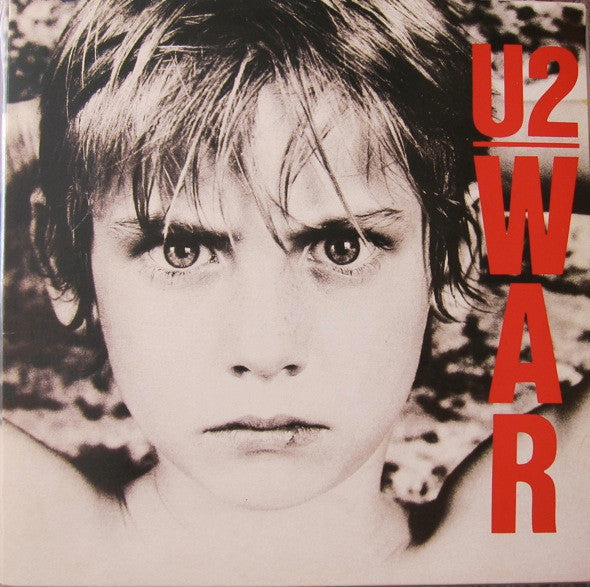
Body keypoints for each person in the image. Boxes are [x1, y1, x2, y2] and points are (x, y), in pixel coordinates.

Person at [3, 0, 589, 584]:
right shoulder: (25, 542)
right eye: (181, 250)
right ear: (61, 261)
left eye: (342, 246)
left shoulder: (518, 548)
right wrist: (66, 129)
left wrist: (432, 127)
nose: (265, 351)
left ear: (452, 255)